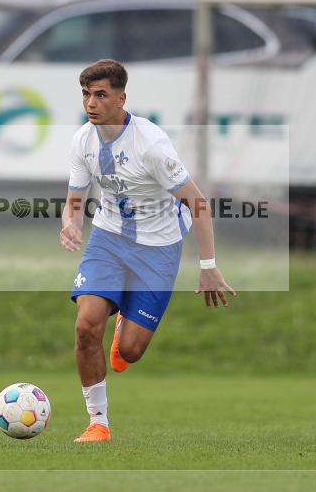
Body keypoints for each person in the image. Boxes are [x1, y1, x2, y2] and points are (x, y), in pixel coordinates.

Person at [59, 59, 235, 443]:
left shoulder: (151, 144)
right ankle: (98, 423)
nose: (91, 103)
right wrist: (70, 223)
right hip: (107, 239)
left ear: (121, 98)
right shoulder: (82, 140)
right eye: (87, 94)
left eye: (101, 95)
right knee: (87, 325)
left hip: (157, 248)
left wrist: (208, 266)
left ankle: (125, 324)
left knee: (131, 352)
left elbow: (198, 202)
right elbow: (75, 198)